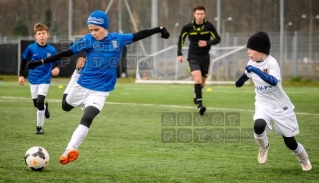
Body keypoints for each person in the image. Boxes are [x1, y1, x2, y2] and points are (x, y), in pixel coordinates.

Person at [28, 10, 170, 165]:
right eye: (91, 30)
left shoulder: (118, 39)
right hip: (81, 85)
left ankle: (69, 150)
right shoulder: (88, 40)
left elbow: (138, 35)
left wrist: (159, 29)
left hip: (100, 91)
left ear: (105, 27)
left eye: (96, 29)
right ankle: (76, 73)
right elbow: (66, 53)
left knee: (88, 117)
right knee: (65, 106)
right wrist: (41, 62)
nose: (93, 33)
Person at [235, 31, 312, 171]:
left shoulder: (272, 62)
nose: (248, 52)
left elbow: (273, 81)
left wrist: (254, 70)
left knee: (290, 142)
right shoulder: (251, 63)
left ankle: (304, 159)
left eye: (251, 49)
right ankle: (264, 146)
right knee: (258, 125)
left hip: (280, 106)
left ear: (261, 50)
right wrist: (239, 80)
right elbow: (247, 73)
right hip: (262, 104)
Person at [177, 5, 221, 115]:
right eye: (198, 14)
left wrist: (207, 43)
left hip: (205, 56)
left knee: (202, 81)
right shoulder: (188, 27)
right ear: (194, 14)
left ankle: (196, 93)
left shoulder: (209, 26)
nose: (200, 16)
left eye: (201, 14)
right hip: (193, 56)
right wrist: (179, 53)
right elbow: (181, 39)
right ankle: (200, 105)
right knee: (197, 78)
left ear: (204, 14)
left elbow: (217, 39)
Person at [18, 23, 60, 134]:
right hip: (32, 79)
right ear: (35, 36)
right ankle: (45, 106)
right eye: (39, 34)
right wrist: (21, 75)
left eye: (43, 33)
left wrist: (57, 68)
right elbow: (23, 61)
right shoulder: (31, 48)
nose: (41, 36)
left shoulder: (51, 49)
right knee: (36, 104)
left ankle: (39, 127)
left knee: (39, 102)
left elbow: (57, 62)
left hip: (45, 79)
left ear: (48, 35)